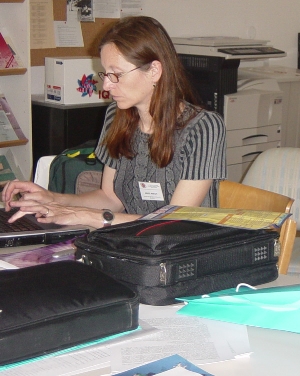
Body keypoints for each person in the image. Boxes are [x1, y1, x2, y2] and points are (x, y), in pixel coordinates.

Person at [3, 16, 226, 228]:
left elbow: (172, 224)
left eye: (116, 74)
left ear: (154, 71)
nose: (106, 86)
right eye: (105, 74)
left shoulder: (203, 127)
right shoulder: (116, 116)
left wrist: (83, 215)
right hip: (130, 242)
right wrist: (52, 199)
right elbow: (111, 199)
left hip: (184, 250)